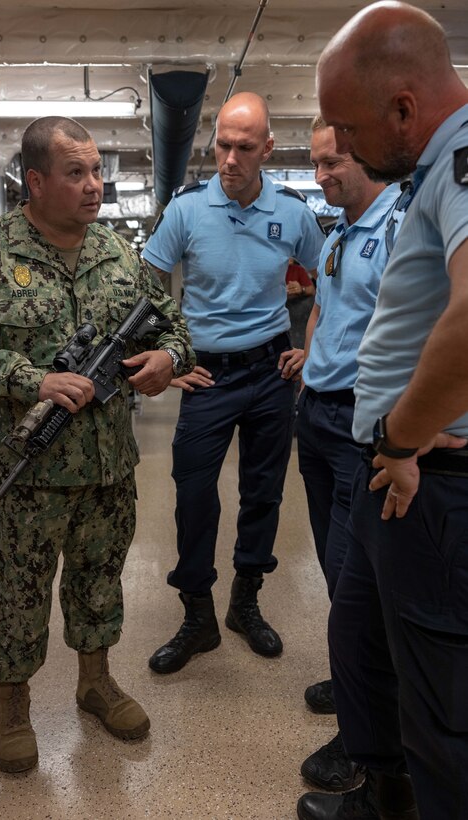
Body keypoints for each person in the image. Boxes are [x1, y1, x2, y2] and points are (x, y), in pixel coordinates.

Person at [0, 116, 194, 774]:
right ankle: (11, 704)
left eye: (98, 171)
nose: (95, 185)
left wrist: (167, 357)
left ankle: (94, 682)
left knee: (100, 584)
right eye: (77, 173)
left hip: (107, 466)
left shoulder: (118, 255)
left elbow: (172, 324)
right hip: (29, 471)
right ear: (36, 181)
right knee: (18, 592)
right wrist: (30, 377)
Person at [297, 3, 468, 819]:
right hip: (389, 467)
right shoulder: (430, 173)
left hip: (424, 474)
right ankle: (381, 793)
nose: (340, 146)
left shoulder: (463, 157)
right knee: (362, 636)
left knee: (442, 707)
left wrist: (399, 437)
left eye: (347, 125)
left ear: (403, 107)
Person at [141, 92, 324, 674]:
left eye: (245, 147)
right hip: (207, 375)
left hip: (271, 371)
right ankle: (197, 614)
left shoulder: (294, 213)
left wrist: (309, 348)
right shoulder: (187, 209)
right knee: (195, 496)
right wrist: (166, 356)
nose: (230, 158)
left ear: (267, 148)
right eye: (222, 144)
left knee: (263, 492)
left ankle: (245, 603)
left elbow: (334, 277)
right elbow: (145, 287)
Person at [297, 115, 403, 800]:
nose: (321, 175)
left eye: (332, 162)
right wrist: (310, 356)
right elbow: (323, 309)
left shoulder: (400, 228)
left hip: (366, 431)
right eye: (315, 162)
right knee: (341, 579)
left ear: (365, 156)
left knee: (357, 597)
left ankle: (369, 740)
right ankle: (356, 688)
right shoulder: (338, 233)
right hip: (318, 417)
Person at [286, 258, 316, 351]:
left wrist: (301, 289)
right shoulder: (272, 274)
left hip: (300, 316)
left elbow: (312, 290)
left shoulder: (297, 269)